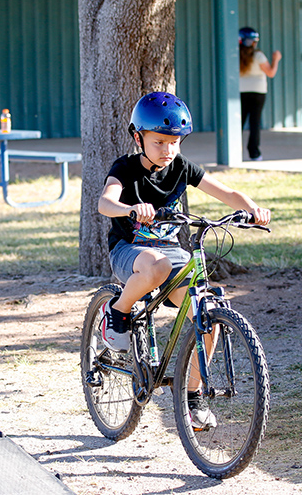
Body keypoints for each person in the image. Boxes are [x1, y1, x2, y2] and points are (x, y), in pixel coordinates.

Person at [97, 91, 271, 428]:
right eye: (159, 142)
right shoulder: (126, 168)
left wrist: (251, 209)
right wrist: (130, 209)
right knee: (157, 266)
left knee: (206, 314)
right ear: (139, 137)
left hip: (171, 253)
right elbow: (105, 203)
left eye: (174, 142)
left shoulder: (181, 167)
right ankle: (116, 313)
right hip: (129, 251)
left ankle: (192, 398)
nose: (168, 150)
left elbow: (227, 193)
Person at [239, 27, 281, 161]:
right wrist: (276, 59)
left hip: (241, 91)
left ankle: (234, 151)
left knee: (238, 122)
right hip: (258, 92)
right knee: (255, 122)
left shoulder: (235, 54)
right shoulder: (258, 55)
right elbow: (271, 73)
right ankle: (254, 153)